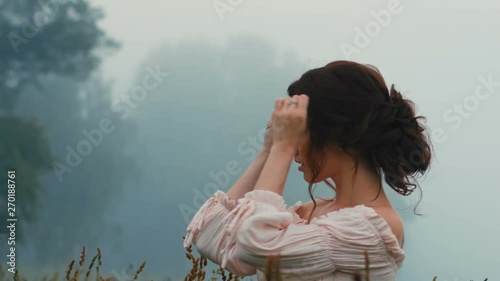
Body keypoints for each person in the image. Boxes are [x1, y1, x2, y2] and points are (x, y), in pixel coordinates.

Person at [183, 60, 432, 280]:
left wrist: (282, 147)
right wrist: (268, 150)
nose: (294, 150)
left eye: (300, 131)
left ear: (335, 134)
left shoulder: (375, 228)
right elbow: (213, 236)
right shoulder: (312, 211)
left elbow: (256, 244)